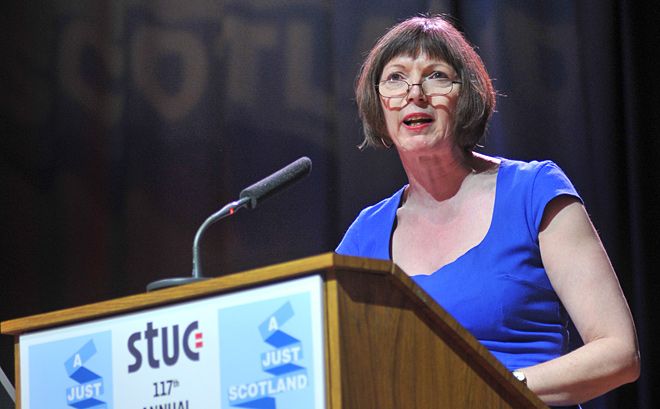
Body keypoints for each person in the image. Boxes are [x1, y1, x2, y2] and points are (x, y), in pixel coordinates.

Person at [335, 15, 640, 408]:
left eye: (436, 76)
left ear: (467, 96)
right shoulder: (365, 235)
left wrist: (478, 385)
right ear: (378, 105)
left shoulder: (533, 191)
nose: (415, 93)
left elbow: (617, 353)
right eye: (395, 78)